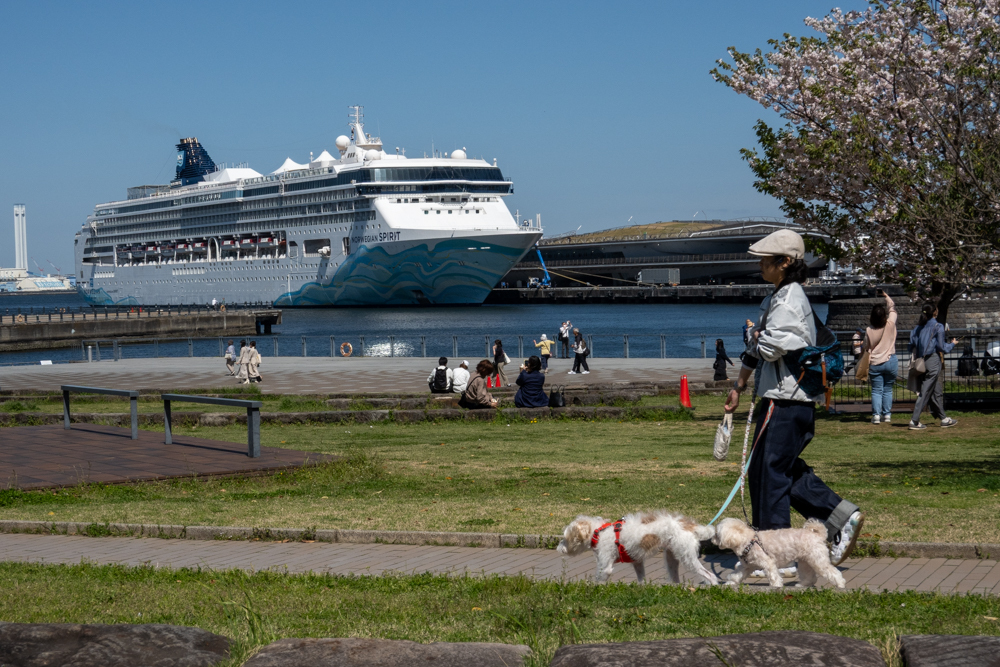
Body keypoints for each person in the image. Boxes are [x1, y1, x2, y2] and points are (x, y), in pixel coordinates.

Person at [725, 228, 864, 566]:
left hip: (786, 400)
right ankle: (840, 515)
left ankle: (772, 553)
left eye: (766, 260)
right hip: (783, 399)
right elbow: (756, 348)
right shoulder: (779, 296)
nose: (760, 266)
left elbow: (770, 347)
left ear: (785, 262)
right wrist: (739, 386)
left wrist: (756, 336)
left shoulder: (789, 299)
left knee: (770, 472)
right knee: (774, 468)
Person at [908, 302, 958, 430]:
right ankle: (914, 420)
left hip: (921, 361)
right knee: (925, 391)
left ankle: (943, 418)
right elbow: (942, 347)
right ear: (935, 311)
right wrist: (952, 344)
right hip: (933, 360)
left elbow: (911, 344)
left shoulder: (918, 327)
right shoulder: (938, 326)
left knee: (935, 390)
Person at [862, 290, 898, 424]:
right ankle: (887, 414)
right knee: (888, 389)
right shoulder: (890, 324)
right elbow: (892, 309)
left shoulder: (869, 330)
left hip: (875, 362)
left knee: (877, 390)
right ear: (884, 316)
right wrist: (887, 296)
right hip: (890, 360)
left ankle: (876, 415)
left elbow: (866, 346)